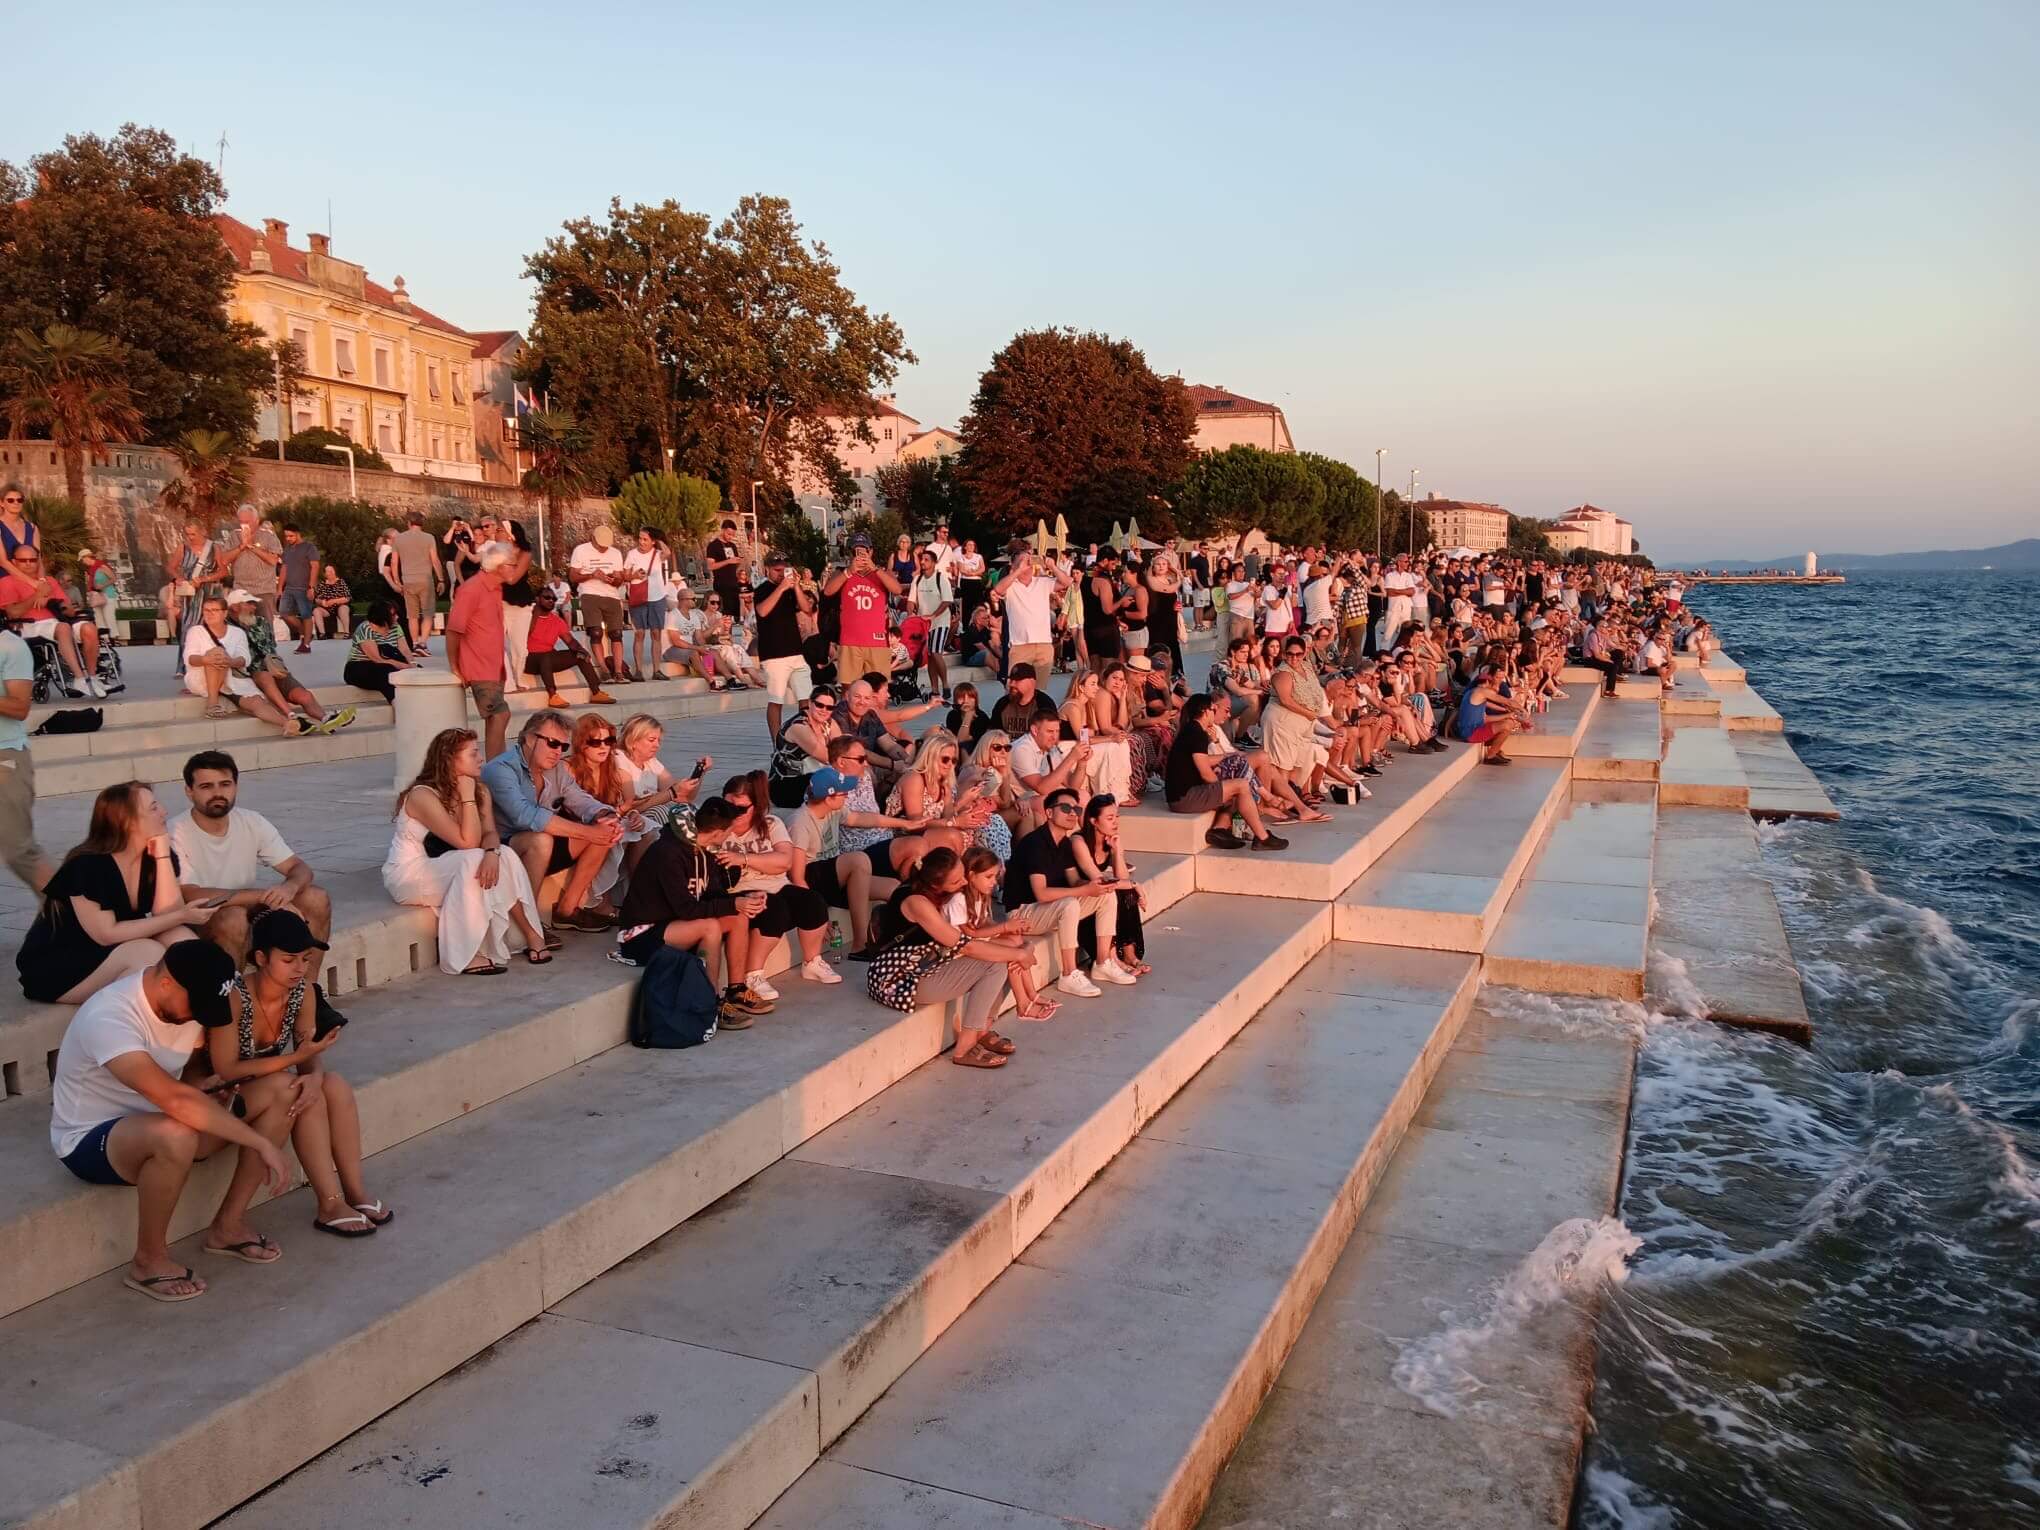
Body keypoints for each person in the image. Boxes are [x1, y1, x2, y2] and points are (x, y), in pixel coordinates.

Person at [47, 938, 293, 1302]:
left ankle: (228, 1226)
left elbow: (185, 1077)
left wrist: (202, 1086)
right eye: (197, 1005)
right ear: (166, 983)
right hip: (91, 1140)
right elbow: (174, 1100)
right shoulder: (109, 1017)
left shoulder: (183, 1005)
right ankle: (148, 1260)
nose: (199, 1016)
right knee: (174, 1133)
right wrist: (258, 1142)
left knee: (283, 1089)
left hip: (161, 1119)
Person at [203, 908, 389, 1238]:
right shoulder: (234, 997)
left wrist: (314, 1075)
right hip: (222, 1094)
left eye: (305, 959)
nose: (300, 968)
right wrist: (297, 1060)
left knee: (332, 1085)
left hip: (270, 1085)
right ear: (261, 958)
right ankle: (329, 1203)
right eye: (289, 960)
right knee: (295, 1089)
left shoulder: (303, 993)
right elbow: (226, 1069)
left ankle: (354, 1191)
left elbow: (307, 1055)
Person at [17, 781, 214, 1003]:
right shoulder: (87, 866)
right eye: (153, 808)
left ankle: (205, 1001)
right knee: (149, 953)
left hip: (113, 950)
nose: (164, 811)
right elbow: (106, 935)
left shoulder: (155, 855)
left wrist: (162, 856)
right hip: (62, 964)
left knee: (181, 939)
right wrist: (182, 916)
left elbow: (168, 914)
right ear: (127, 822)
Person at [385, 726, 551, 975]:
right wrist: (466, 796)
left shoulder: (479, 789)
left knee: (504, 854)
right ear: (450, 759)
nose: (481, 758)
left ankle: (530, 934)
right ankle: (464, 955)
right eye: (473, 754)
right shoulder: (422, 796)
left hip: (450, 865)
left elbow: (490, 833)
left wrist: (493, 853)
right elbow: (468, 843)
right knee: (473, 859)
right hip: (409, 874)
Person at [614, 798, 773, 1028]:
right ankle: (711, 1003)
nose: (729, 836)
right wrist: (733, 904)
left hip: (676, 924)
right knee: (711, 927)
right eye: (728, 831)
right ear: (718, 832)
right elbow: (687, 910)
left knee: (737, 917)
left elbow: (712, 895)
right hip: (641, 934)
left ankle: (736, 990)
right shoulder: (668, 853)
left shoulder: (703, 851)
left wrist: (745, 899)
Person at [168, 749, 334, 963]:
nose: (217, 793)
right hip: (197, 919)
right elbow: (191, 895)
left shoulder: (251, 821)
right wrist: (265, 896)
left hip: (246, 910)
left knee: (315, 897)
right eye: (206, 786)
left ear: (235, 786)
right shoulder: (175, 832)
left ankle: (309, 983)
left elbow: (298, 867)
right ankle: (231, 986)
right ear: (189, 791)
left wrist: (289, 888)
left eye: (225, 784)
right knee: (233, 918)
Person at [866, 848, 1026, 1069]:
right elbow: (964, 945)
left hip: (927, 963)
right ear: (935, 884)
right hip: (901, 979)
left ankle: (982, 1030)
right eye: (956, 881)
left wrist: (1015, 949)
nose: (964, 882)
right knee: (996, 963)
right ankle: (965, 1048)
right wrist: (1019, 953)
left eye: (963, 875)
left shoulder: (934, 890)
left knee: (1004, 957)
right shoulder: (917, 902)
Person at [482, 709, 625, 933]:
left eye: (563, 746)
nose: (558, 752)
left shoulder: (556, 769)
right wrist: (589, 832)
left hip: (541, 846)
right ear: (530, 739)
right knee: (541, 840)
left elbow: (579, 799)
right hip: (502, 849)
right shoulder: (501, 769)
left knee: (604, 829)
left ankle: (567, 910)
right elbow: (525, 815)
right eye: (552, 743)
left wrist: (605, 814)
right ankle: (529, 923)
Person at [1001, 786, 1137, 996]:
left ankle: (1103, 962)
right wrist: (1084, 889)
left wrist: (1099, 885)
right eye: (1065, 808)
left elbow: (1074, 881)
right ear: (1049, 812)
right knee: (1070, 903)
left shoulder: (1064, 843)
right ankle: (1068, 973)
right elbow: (1041, 893)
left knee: (1106, 895)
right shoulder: (1035, 843)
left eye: (1076, 809)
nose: (1072, 813)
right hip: (1022, 913)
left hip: (1047, 909)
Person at [718, 769, 841, 995]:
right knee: (774, 908)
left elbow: (784, 861)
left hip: (777, 885)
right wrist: (765, 862)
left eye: (741, 808)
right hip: (739, 890)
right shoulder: (718, 829)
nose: (734, 813)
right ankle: (753, 974)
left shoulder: (771, 824)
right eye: (729, 806)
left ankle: (812, 962)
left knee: (813, 901)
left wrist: (744, 859)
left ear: (754, 806)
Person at [787, 766, 889, 955]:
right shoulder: (799, 822)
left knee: (894, 887)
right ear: (829, 798)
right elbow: (796, 876)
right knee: (858, 860)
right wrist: (815, 911)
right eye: (844, 793)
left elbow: (860, 819)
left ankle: (896, 940)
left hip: (831, 876)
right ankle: (860, 944)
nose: (847, 796)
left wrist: (904, 823)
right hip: (812, 879)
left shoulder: (835, 810)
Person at [1165, 694, 1287, 851]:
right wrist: (1222, 788)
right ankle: (1263, 838)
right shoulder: (1197, 733)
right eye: (1213, 709)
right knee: (1241, 786)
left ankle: (1219, 829)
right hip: (1185, 798)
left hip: (1183, 795)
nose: (1214, 712)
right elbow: (1205, 773)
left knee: (1236, 771)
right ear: (1205, 711)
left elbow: (1202, 760)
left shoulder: (1191, 729)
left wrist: (1225, 757)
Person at [227, 589, 356, 735]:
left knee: (304, 695)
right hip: (249, 673)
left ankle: (326, 718)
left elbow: (271, 647)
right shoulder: (226, 627)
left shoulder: (261, 622)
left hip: (271, 667)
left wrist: (275, 664)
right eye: (248, 604)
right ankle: (292, 716)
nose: (254, 607)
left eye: (253, 603)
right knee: (265, 676)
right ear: (235, 607)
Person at [955, 844, 1058, 1021]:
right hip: (961, 949)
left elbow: (984, 922)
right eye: (988, 877)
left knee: (1015, 938)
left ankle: (1031, 994)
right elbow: (970, 934)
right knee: (1012, 948)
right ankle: (1024, 1003)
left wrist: (1012, 927)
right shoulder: (960, 899)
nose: (994, 882)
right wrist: (1004, 927)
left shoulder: (979, 894)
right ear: (971, 875)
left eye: (995, 877)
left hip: (975, 941)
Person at [183, 594, 310, 733]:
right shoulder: (196, 631)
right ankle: (212, 704)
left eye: (214, 610)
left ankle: (287, 724)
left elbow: (244, 659)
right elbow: (190, 658)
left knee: (256, 702)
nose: (210, 614)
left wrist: (230, 661)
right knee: (216, 654)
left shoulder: (237, 633)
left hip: (233, 678)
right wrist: (206, 659)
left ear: (224, 613)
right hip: (203, 678)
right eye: (206, 610)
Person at [0, 543, 104, 696]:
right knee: (63, 628)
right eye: (23, 560)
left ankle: (92, 677)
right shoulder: (7, 582)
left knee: (89, 628)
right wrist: (36, 596)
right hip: (30, 626)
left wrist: (52, 601)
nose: (28, 563)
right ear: (14, 562)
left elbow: (68, 609)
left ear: (38, 561)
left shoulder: (49, 581)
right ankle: (79, 678)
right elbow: (13, 614)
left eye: (32, 560)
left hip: (57, 622)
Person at [446, 542, 515, 760]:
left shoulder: (494, 588)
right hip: (479, 666)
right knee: (499, 715)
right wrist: (454, 666)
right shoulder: (472, 589)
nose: (515, 569)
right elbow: (454, 629)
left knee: (498, 717)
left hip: (494, 666)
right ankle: (495, 769)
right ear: (499, 567)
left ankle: (498, 766)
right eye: (512, 565)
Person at [616, 714, 705, 878]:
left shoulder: (651, 762)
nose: (657, 745)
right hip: (630, 814)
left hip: (646, 812)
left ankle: (693, 866)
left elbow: (683, 797)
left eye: (658, 740)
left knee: (690, 810)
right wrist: (670, 793)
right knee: (662, 812)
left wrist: (700, 774)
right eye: (651, 740)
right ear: (633, 741)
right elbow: (630, 803)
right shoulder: (620, 759)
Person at [1073, 795, 1149, 977]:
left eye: (1117, 817)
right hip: (1082, 902)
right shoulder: (1078, 841)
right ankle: (1111, 958)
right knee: (1119, 890)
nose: (1115, 822)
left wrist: (1116, 851)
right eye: (1109, 818)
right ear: (1093, 821)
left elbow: (1122, 877)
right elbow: (1099, 881)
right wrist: (1134, 884)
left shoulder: (1110, 840)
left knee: (1126, 891)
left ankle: (1129, 955)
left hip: (1101, 898)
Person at [0, 623, 50, 891]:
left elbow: (20, 707)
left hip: (5, 757)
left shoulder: (10, 646)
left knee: (19, 851)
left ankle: (69, 910)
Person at [752, 549, 815, 741]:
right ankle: (776, 742)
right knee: (776, 699)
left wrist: (796, 587)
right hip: (774, 654)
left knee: (805, 697)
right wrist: (781, 588)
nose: (781, 574)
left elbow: (807, 608)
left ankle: (806, 738)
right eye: (777, 570)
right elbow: (762, 611)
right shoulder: (762, 589)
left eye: (784, 570)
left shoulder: (790, 589)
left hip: (795, 651)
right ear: (767, 569)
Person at [824, 532, 901, 686]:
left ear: (870, 551)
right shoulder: (842, 572)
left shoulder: (880, 573)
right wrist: (849, 571)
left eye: (864, 550)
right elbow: (828, 591)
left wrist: (875, 569)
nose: (860, 555)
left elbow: (897, 589)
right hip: (850, 641)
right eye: (856, 551)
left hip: (877, 641)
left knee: (878, 689)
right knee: (849, 687)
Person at [524, 583, 618, 706]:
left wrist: (581, 650)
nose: (551, 601)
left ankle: (596, 692)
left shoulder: (556, 620)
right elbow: (523, 636)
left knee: (580, 655)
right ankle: (553, 696)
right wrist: (535, 615)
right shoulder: (527, 617)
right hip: (528, 659)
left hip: (547, 658)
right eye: (547, 597)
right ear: (537, 599)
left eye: (554, 599)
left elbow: (570, 641)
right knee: (545, 656)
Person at [992, 546, 1069, 677]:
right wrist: (1018, 570)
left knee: (1040, 686)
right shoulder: (1011, 586)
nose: (1027, 564)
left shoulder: (1042, 582)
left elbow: (1067, 582)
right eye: (1022, 561)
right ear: (1013, 565)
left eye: (1029, 560)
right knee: (1017, 684)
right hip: (1020, 645)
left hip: (1043, 644)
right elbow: (998, 589)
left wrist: (1052, 566)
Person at [566, 522, 628, 683]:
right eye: (601, 545)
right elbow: (573, 576)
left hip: (611, 595)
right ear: (593, 539)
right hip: (590, 593)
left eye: (606, 546)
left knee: (616, 634)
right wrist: (592, 575)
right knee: (595, 632)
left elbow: (619, 579)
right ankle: (604, 669)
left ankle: (619, 671)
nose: (604, 549)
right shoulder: (581, 550)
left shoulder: (615, 553)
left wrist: (613, 579)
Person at [769, 684, 840, 808]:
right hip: (786, 785)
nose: (824, 710)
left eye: (829, 707)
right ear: (810, 703)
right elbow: (827, 757)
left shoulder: (829, 722)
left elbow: (843, 748)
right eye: (819, 705)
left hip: (811, 777)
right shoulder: (799, 726)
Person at [220, 504, 284, 629]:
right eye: (241, 522)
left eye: (247, 522)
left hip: (263, 590)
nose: (244, 525)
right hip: (241, 589)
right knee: (242, 626)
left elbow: (273, 560)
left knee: (265, 626)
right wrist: (241, 546)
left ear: (257, 521)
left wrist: (251, 546)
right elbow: (224, 560)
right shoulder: (234, 535)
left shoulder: (268, 536)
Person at [623, 526, 673, 682]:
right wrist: (634, 575)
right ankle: (638, 671)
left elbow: (668, 552)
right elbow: (625, 575)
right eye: (640, 538)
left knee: (656, 633)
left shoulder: (657, 554)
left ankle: (656, 670)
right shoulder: (632, 554)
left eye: (645, 539)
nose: (641, 542)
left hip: (657, 597)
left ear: (652, 541)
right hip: (639, 597)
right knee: (639, 633)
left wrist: (659, 540)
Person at [493, 515, 538, 693]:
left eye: (499, 530)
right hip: (500, 603)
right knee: (497, 643)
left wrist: (501, 563)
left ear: (510, 535)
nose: (495, 533)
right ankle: (507, 681)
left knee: (520, 647)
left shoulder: (524, 553)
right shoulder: (494, 552)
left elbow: (512, 579)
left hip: (520, 604)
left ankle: (518, 678)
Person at [342, 599, 417, 701]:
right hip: (359, 666)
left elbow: (405, 650)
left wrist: (412, 664)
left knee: (416, 672)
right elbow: (377, 659)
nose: (397, 617)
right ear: (382, 617)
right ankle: (397, 702)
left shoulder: (396, 627)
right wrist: (405, 666)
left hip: (387, 663)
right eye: (393, 615)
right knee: (386, 672)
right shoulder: (365, 629)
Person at [391, 512, 443, 651]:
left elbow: (394, 562)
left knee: (412, 615)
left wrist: (397, 581)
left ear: (408, 523)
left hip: (408, 579)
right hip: (425, 579)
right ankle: (423, 644)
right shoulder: (429, 538)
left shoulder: (399, 539)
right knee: (428, 613)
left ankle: (414, 643)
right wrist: (441, 579)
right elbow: (435, 560)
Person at [911, 546, 955, 700]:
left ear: (934, 563)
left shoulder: (941, 578)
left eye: (926, 560)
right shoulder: (917, 579)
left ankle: (946, 684)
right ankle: (935, 689)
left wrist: (933, 615)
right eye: (921, 559)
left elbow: (947, 600)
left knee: (936, 652)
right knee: (929, 656)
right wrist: (911, 614)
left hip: (940, 621)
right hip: (924, 623)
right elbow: (911, 600)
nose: (923, 562)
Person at [988, 661, 1061, 741]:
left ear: (1032, 682)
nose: (1012, 684)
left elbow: (1052, 737)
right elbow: (993, 735)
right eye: (1011, 679)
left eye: (1017, 680)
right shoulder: (1002, 704)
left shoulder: (1044, 704)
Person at [276, 524, 321, 652]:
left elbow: (315, 566)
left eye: (291, 536)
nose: (288, 538)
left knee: (306, 614)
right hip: (289, 588)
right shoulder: (287, 550)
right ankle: (304, 632)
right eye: (286, 536)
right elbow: (284, 568)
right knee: (284, 613)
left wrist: (311, 587)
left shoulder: (309, 547)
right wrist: (279, 588)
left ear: (298, 534)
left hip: (304, 587)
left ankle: (306, 645)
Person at [1082, 547, 1127, 671]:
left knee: (1094, 666)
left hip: (1090, 627)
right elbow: (1107, 609)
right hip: (1105, 628)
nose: (1114, 567)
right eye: (1113, 564)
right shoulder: (1103, 580)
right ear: (1105, 560)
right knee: (1109, 668)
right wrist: (1122, 601)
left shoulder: (1086, 575)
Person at [703, 519, 747, 628]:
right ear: (722, 530)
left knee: (736, 614)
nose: (730, 537)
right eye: (728, 534)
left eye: (733, 535)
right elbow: (710, 566)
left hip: (733, 584)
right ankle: (724, 633)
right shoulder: (713, 546)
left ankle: (737, 634)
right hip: (721, 584)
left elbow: (734, 564)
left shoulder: (732, 545)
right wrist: (728, 561)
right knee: (725, 614)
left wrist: (737, 562)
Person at [0, 481, 39, 579]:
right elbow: (3, 562)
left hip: (30, 582)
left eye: (19, 500)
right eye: (10, 500)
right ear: (2, 503)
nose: (16, 503)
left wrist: (42, 580)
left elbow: (38, 559)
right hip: (4, 581)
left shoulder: (32, 528)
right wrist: (33, 583)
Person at [946, 680, 992, 751]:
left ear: (975, 700)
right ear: (955, 700)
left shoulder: (982, 718)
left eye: (970, 697)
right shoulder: (952, 715)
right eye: (961, 697)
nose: (966, 701)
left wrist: (968, 716)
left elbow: (962, 741)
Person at [311, 565, 352, 640]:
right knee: (316, 610)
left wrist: (333, 601)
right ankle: (322, 634)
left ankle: (347, 633)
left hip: (339, 606)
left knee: (343, 608)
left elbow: (347, 598)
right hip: (327, 608)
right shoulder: (322, 584)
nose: (330, 573)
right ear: (325, 574)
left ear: (335, 572)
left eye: (332, 571)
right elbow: (316, 599)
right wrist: (322, 602)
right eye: (328, 571)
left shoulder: (341, 582)